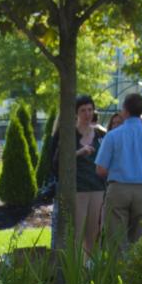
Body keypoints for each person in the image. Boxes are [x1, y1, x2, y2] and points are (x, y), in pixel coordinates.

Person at [95, 93, 142, 247]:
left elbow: (101, 169)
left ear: (125, 110)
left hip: (118, 188)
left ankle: (118, 269)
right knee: (138, 239)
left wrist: (120, 171)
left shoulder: (113, 136)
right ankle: (133, 269)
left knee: (116, 239)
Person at [51, 95, 107, 254]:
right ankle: (77, 273)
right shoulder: (68, 134)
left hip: (97, 188)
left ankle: (91, 272)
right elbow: (56, 162)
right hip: (77, 189)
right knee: (77, 235)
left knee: (94, 234)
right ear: (76, 113)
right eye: (83, 110)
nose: (87, 113)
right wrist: (78, 153)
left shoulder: (101, 135)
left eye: (90, 109)